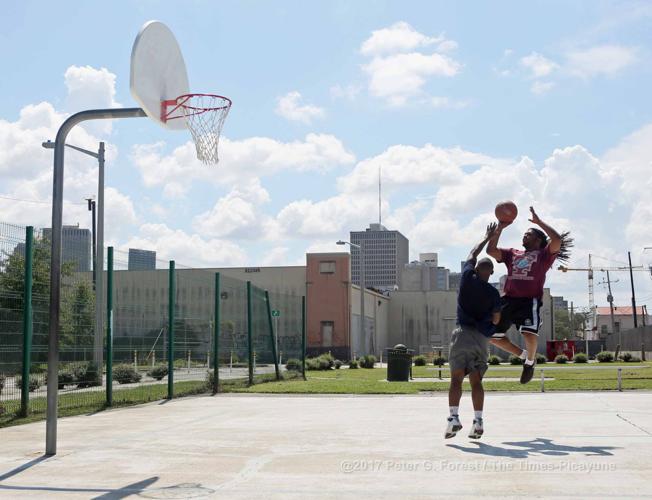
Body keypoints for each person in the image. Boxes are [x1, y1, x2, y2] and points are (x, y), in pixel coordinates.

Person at [487, 206, 572, 384]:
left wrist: (539, 222)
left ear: (539, 239)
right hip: (508, 300)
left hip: (528, 301)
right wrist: (499, 229)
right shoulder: (512, 253)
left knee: (529, 334)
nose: (524, 236)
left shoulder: (544, 255)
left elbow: (556, 239)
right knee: (490, 335)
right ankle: (524, 356)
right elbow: (490, 250)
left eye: (528, 234)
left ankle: (530, 364)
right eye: (524, 234)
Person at [446, 223, 502, 440]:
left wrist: (487, 237)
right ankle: (478, 422)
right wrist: (490, 327)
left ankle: (453, 418)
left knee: (456, 380)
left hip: (462, 334)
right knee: (477, 381)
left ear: (477, 270)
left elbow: (472, 253)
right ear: (492, 272)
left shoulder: (467, 279)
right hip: (480, 339)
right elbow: (497, 318)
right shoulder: (493, 293)